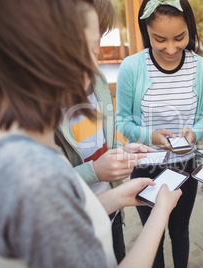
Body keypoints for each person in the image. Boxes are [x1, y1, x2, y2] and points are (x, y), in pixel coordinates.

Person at [0, 0, 181, 267]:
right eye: (92, 51)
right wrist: (161, 212)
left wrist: (117, 196)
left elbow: (66, 218)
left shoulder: (26, 146)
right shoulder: (30, 174)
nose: (96, 66)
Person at [54, 0, 156, 263]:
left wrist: (120, 153)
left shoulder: (96, 84)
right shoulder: (31, 119)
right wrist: (96, 172)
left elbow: (93, 143)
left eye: (96, 46)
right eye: (81, 50)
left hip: (110, 211)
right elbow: (50, 189)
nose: (93, 62)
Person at [115, 0, 203, 267]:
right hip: (145, 169)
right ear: (145, 31)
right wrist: (150, 136)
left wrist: (194, 133)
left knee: (180, 232)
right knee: (153, 236)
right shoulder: (132, 67)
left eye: (180, 38)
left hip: (185, 167)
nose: (170, 48)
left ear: (190, 29)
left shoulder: (202, 68)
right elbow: (121, 121)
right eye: (159, 39)